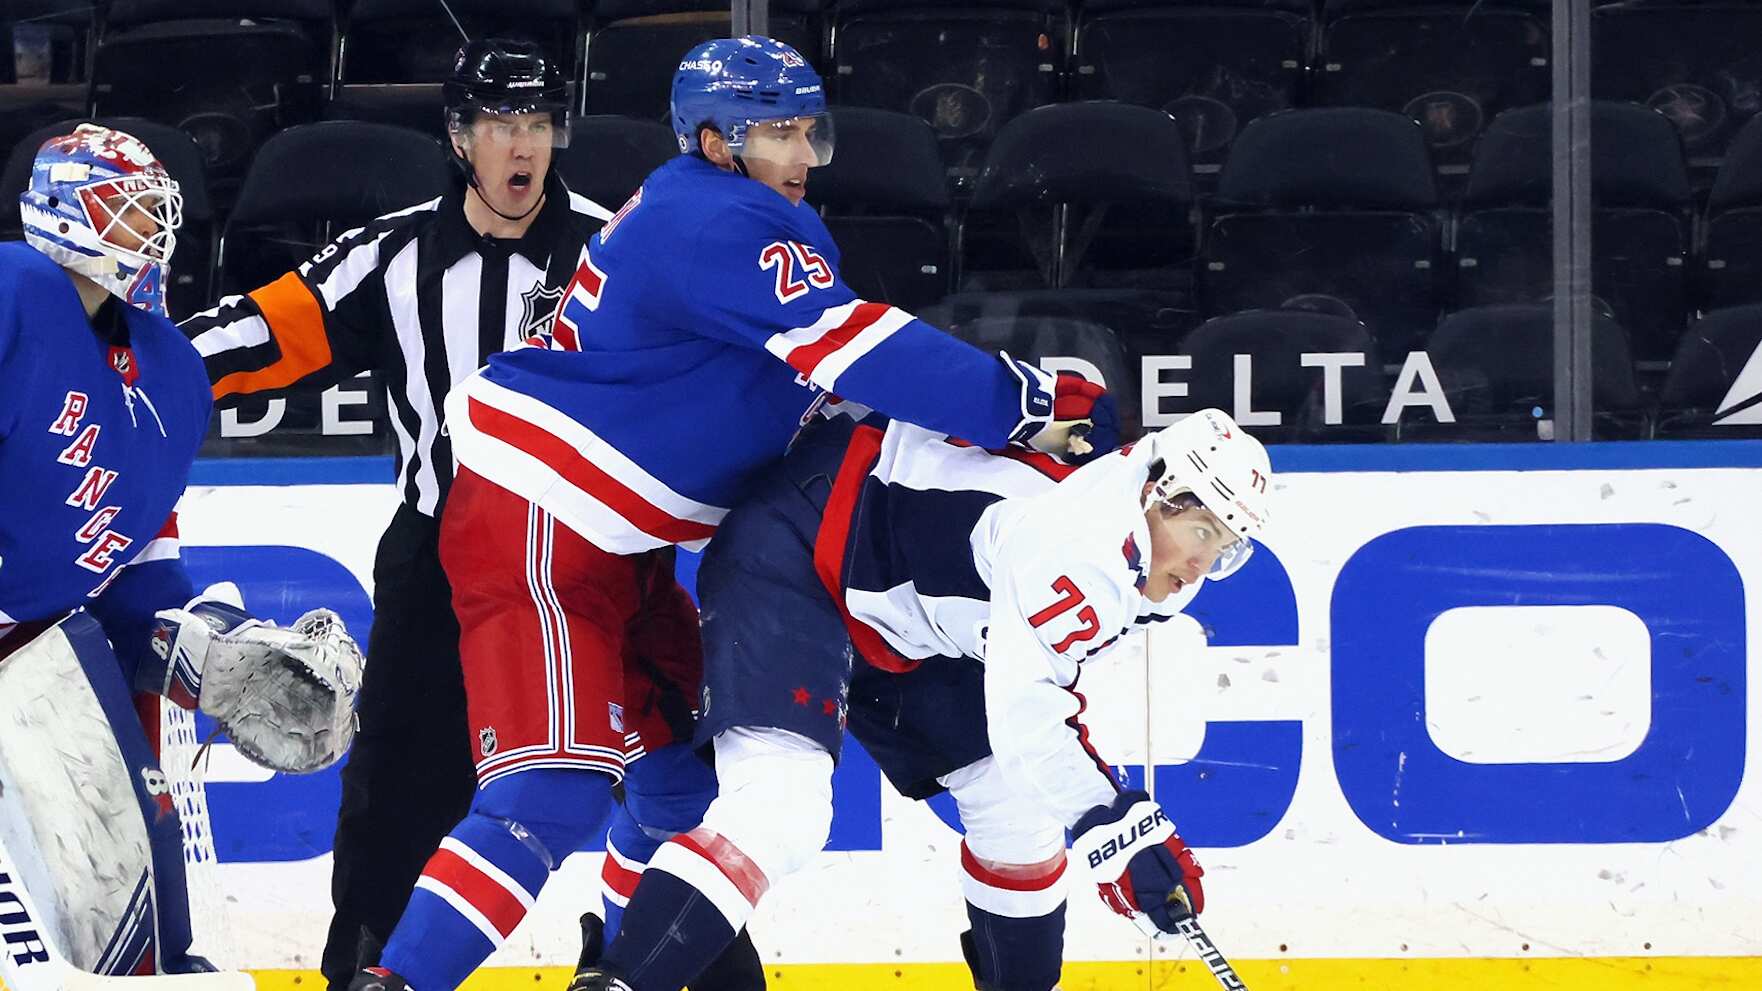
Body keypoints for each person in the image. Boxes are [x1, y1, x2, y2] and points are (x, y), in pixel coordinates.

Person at [353, 33, 1116, 991]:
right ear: (716, 142)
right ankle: (398, 982)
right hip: (538, 518)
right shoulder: (716, 220)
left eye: (810, 133)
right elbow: (858, 349)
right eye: (778, 134)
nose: (803, 156)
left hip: (613, 541)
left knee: (682, 781)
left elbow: (828, 381)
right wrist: (1025, 402)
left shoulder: (730, 214)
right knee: (551, 791)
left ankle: (616, 970)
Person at [177, 38, 772, 991]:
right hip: (441, 566)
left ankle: (688, 969)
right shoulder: (390, 256)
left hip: (606, 559)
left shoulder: (618, 247)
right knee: (396, 801)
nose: (522, 144)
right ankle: (370, 970)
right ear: (460, 138)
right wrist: (133, 368)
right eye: (501, 124)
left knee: (670, 785)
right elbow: (261, 332)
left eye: (537, 123)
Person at [569, 407, 1270, 991]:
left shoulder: (1136, 537)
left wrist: (1111, 823)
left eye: (1226, 546)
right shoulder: (1082, 549)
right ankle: (620, 983)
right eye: (1201, 532)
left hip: (910, 610)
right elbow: (1029, 715)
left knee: (1016, 808)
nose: (1202, 565)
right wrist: (1115, 827)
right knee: (780, 808)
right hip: (804, 546)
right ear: (1157, 493)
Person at [0, 123, 362, 983]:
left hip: (38, 665)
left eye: (153, 209)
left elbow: (139, 570)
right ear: (62, 211)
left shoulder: (171, 374)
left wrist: (222, 655)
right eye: (125, 207)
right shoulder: (13, 289)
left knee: (138, 875)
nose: (153, 228)